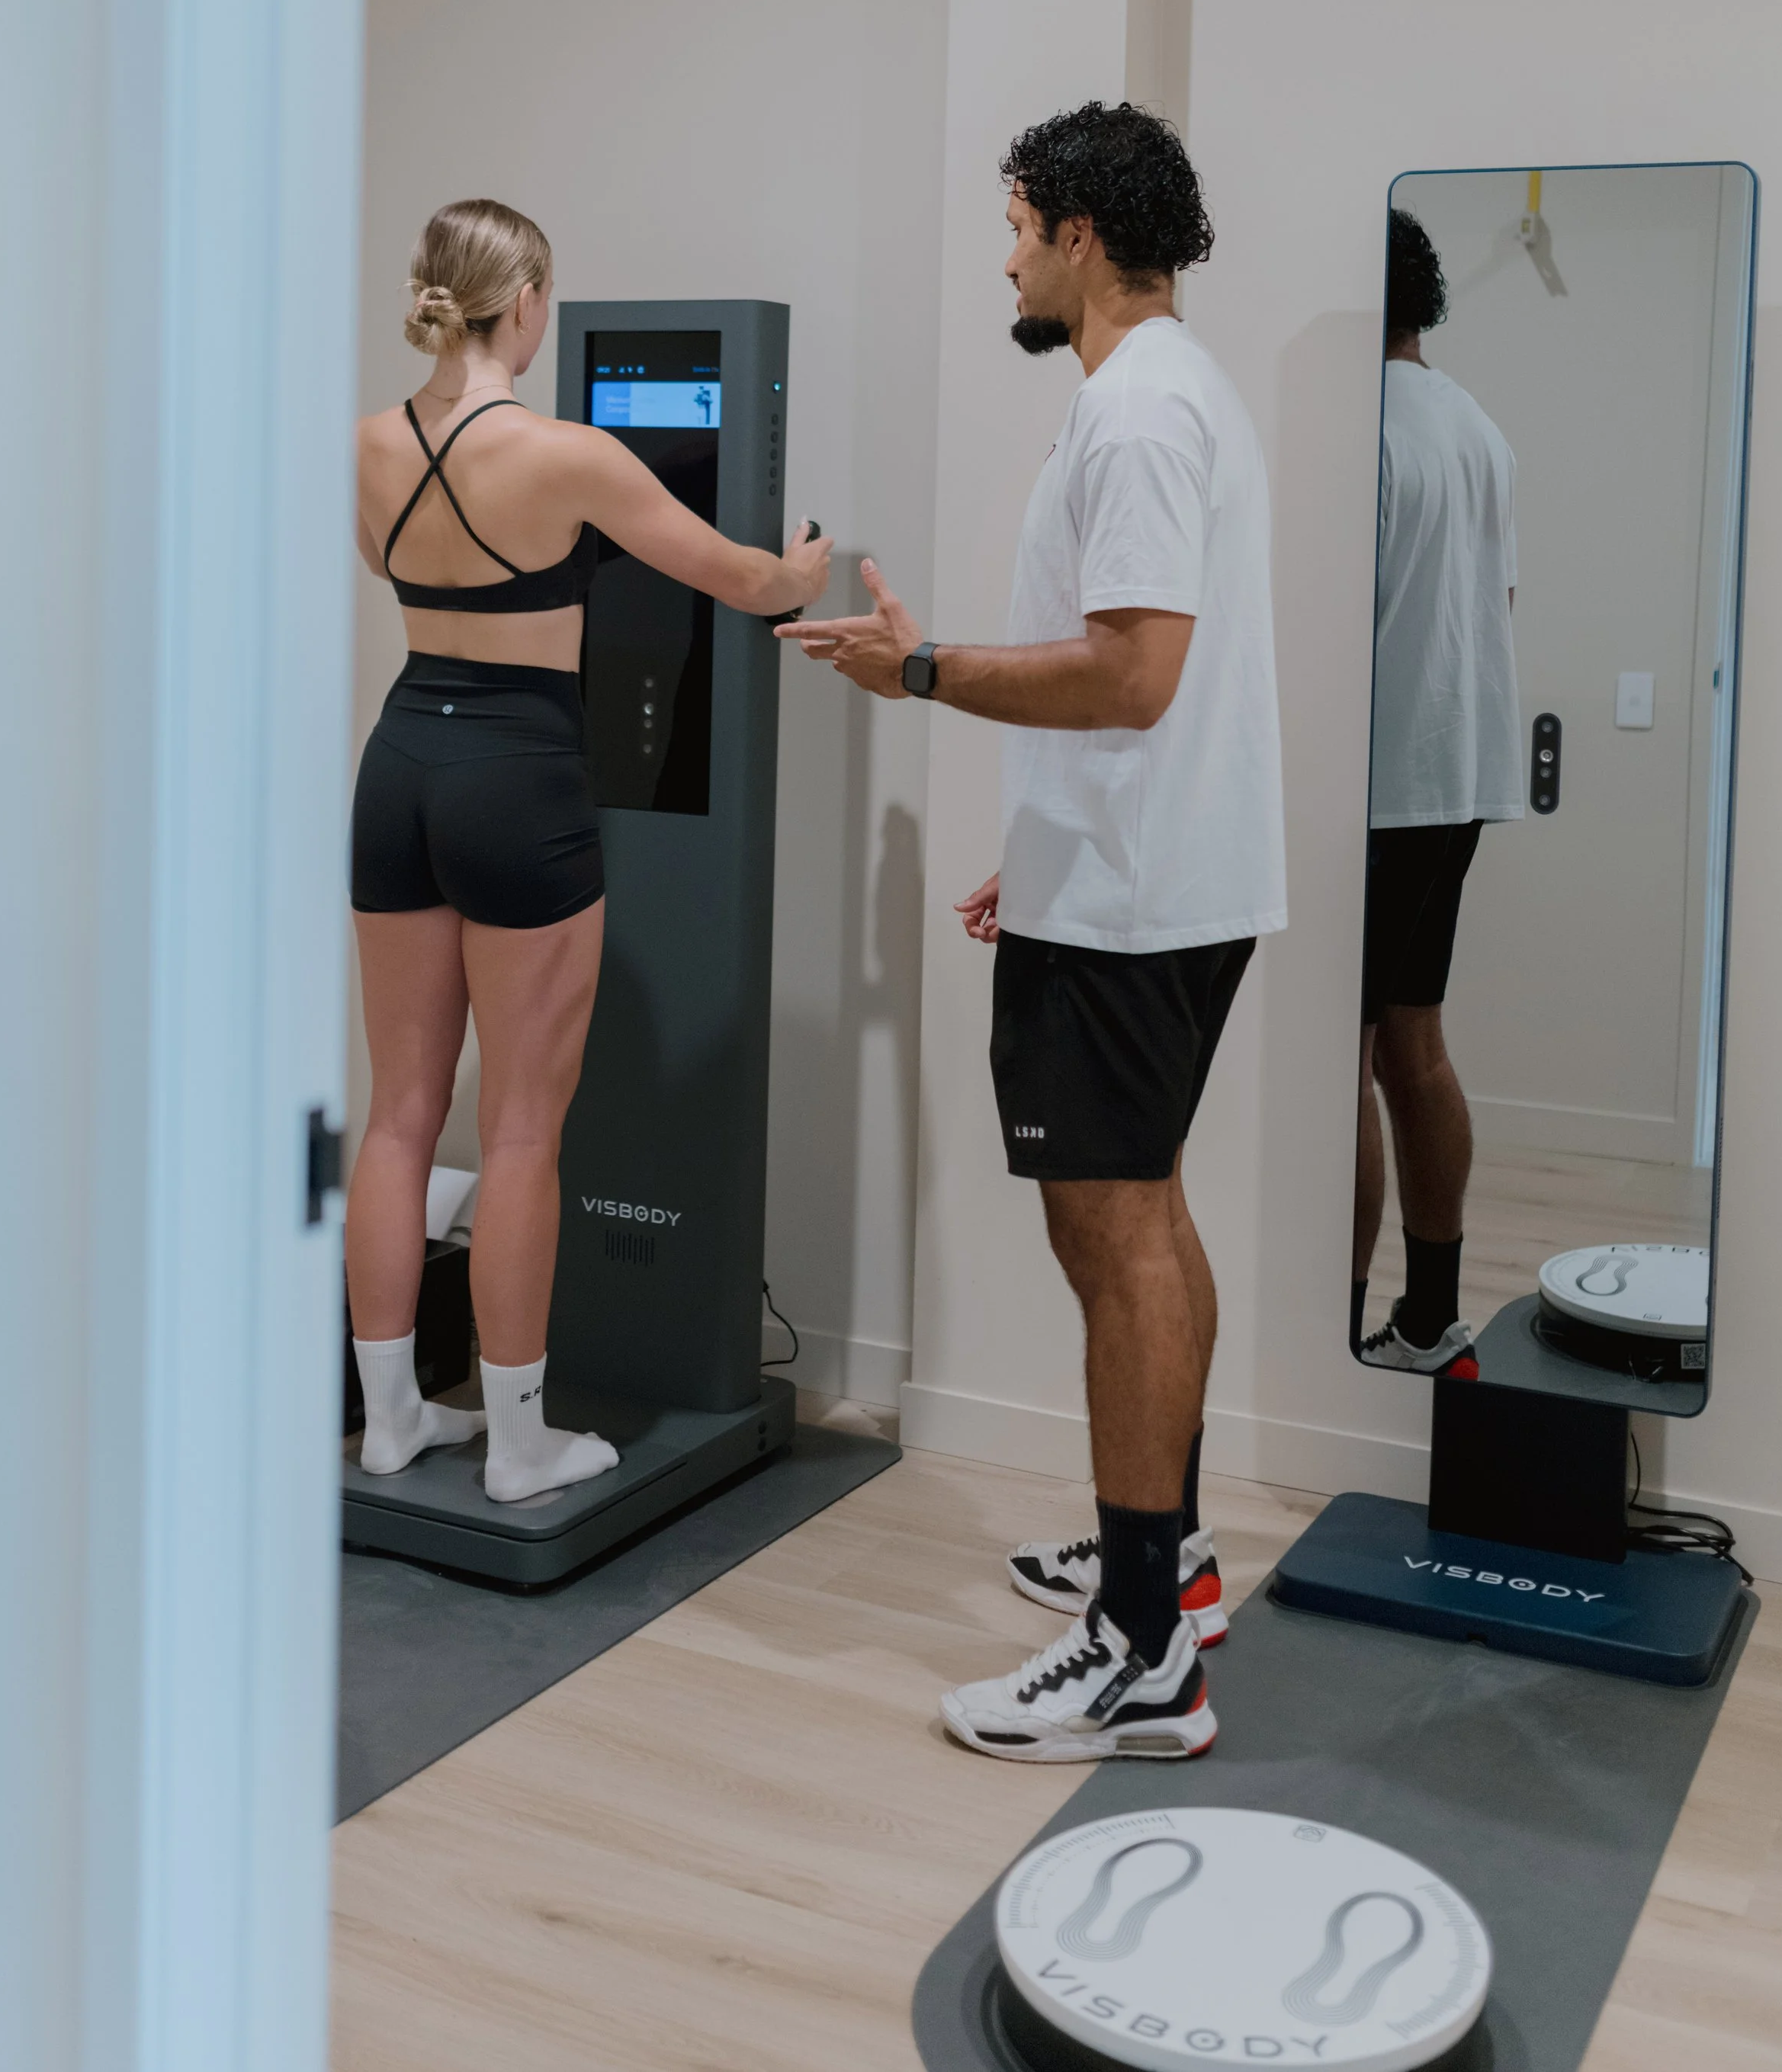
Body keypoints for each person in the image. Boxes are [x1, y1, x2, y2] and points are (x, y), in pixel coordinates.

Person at [786, 104, 1285, 1762]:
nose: (1001, 253)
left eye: (1011, 223)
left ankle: (1140, 1649)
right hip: (1130, 878)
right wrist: (1041, 851)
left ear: (1076, 230)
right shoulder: (1160, 395)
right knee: (1131, 1225)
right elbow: (1148, 695)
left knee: (1117, 1233)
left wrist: (917, 673)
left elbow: (1132, 673)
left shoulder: (1137, 414)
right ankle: (1170, 1556)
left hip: (1139, 904)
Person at [346, 198, 829, 1500]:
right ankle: (516, 1442)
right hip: (520, 777)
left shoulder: (369, 445)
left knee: (398, 1114)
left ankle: (392, 1420)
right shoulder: (572, 454)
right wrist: (808, 567)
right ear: (531, 299)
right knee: (518, 1132)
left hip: (399, 769)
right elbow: (745, 580)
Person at [1352, 206, 1523, 1374]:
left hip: (1378, 784)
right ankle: (1428, 1319)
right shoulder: (1478, 428)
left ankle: (1335, 1333)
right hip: (1460, 775)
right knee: (1415, 1039)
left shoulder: (1361, 432)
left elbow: (1337, 628)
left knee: (1342, 1059)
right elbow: (1495, 607)